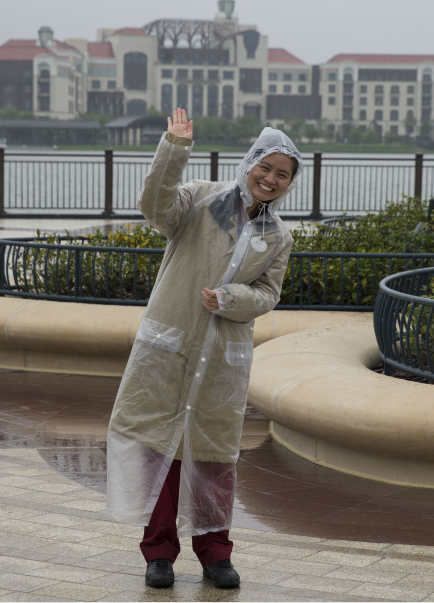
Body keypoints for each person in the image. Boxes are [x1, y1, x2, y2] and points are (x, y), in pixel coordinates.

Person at [105, 108, 302, 589]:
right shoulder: (199, 199)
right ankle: (159, 554)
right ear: (249, 163)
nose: (270, 179)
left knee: (215, 456)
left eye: (282, 174)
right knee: (160, 450)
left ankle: (216, 554)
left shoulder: (277, 236)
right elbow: (155, 205)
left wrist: (231, 299)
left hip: (222, 358)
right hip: (170, 347)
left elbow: (268, 295)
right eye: (265, 168)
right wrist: (173, 149)